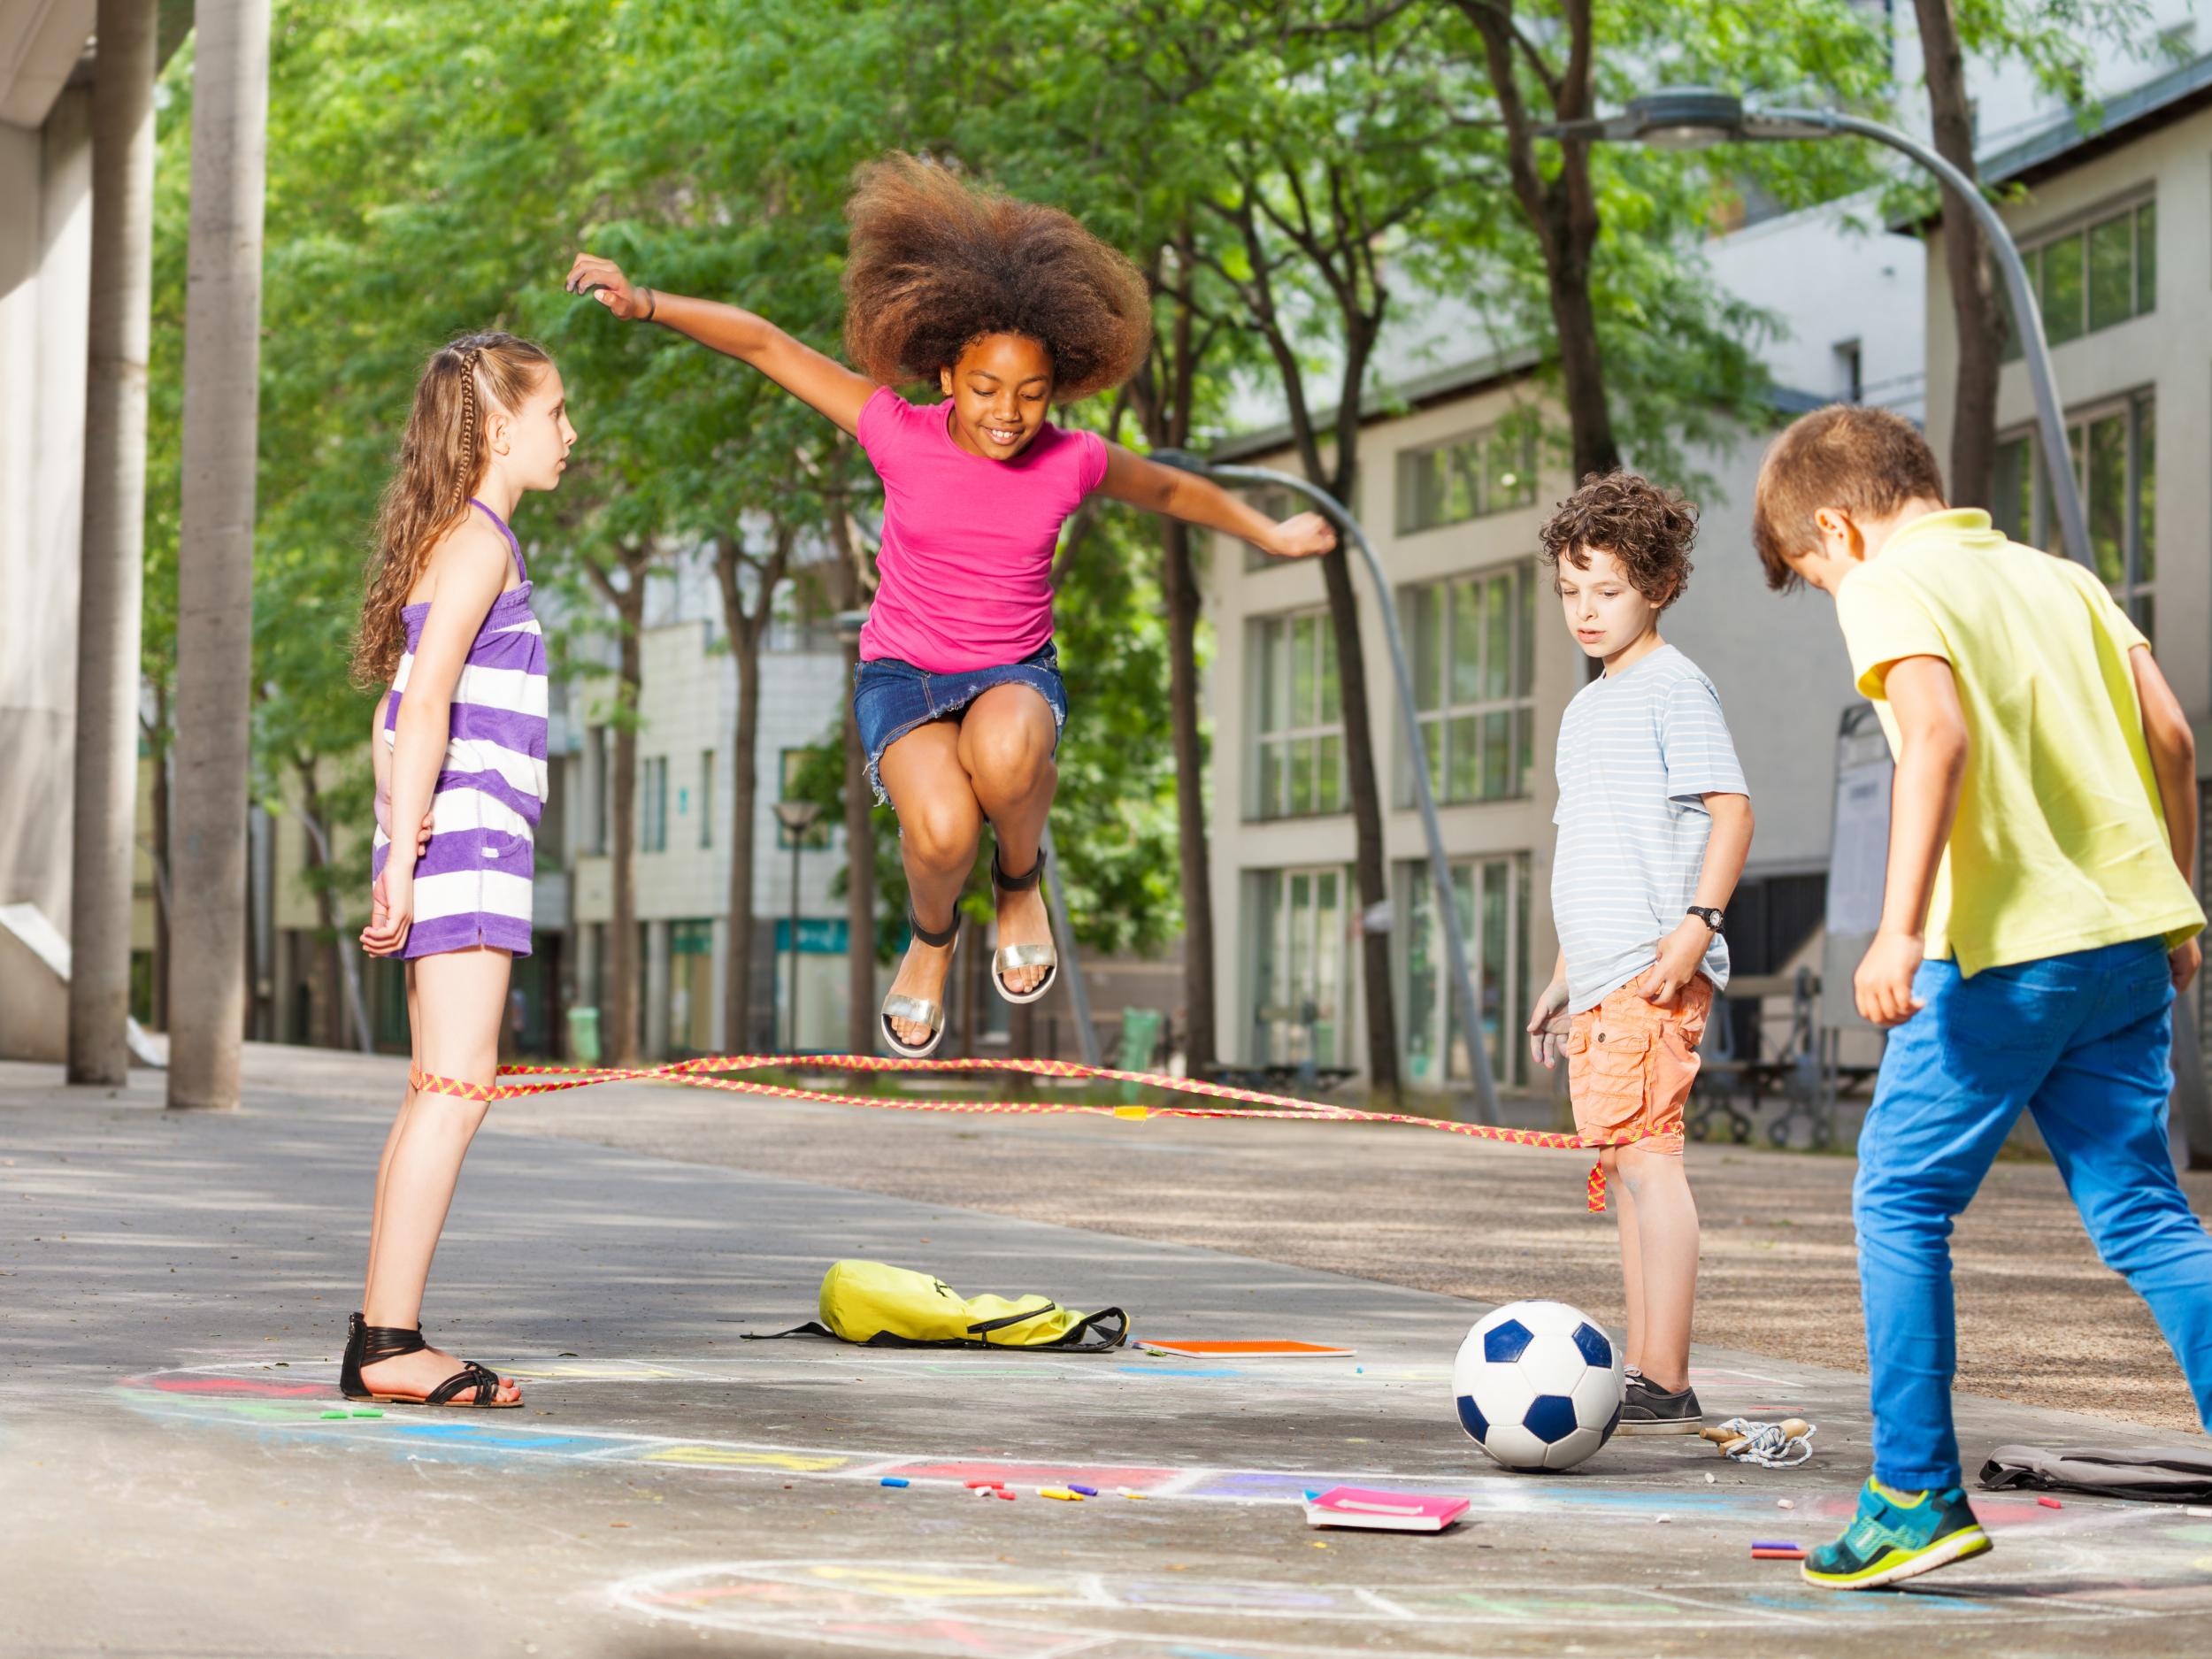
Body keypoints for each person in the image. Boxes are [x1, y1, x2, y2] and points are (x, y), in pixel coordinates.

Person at [566, 153, 1334, 1058]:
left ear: (1057, 391)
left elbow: (1169, 493)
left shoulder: (1072, 458)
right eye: (984, 389)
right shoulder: (896, 432)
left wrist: (1269, 534)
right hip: (902, 678)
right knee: (937, 833)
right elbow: (768, 344)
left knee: (1005, 757)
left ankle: (1019, 882)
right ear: (944, 378)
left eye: (1031, 393)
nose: (1007, 413)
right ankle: (932, 941)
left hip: (1012, 673)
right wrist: (644, 301)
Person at [1751, 403, 2212, 1589]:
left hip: (2001, 952)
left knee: (1900, 1196)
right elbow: (2170, 734)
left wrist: (1899, 927)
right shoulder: (2064, 580)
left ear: (1837, 526)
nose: (1823, 588)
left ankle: (1911, 1495)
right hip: (2123, 945)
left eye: (1809, 567)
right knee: (2148, 1218)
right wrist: (2174, 893)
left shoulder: (1890, 582)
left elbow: (1938, 736)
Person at [346, 331, 576, 1408]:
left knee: (436, 1089)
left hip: (449, 838)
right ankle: (391, 1346)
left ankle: (381, 1337)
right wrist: (404, 853)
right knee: (454, 1089)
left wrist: (397, 845)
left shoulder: (451, 540)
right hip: (472, 840)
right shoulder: (480, 541)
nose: (570, 435)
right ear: (501, 426)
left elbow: (391, 722)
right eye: (557, 414)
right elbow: (425, 703)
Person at [1525, 472, 1754, 1434]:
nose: (1585, 611)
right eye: (1570, 592)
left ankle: (1664, 1371)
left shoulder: (1672, 684)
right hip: (1604, 973)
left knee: (1650, 1161)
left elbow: (1731, 811)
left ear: (1657, 585)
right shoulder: (1588, 709)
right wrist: (1562, 976)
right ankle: (1647, 1366)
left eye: (1606, 591)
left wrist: (1697, 924)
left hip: (1655, 967)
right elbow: (1593, 852)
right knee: (1626, 1164)